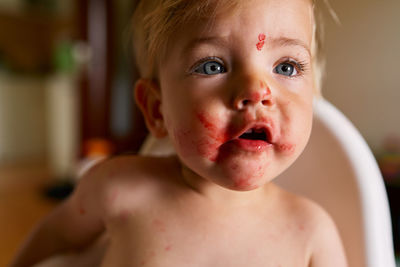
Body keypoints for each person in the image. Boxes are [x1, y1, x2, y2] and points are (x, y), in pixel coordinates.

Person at [10, 0, 348, 266]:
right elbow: (56, 237)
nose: (257, 90)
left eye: (286, 67)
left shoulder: (311, 232)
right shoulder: (118, 189)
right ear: (157, 110)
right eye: (212, 66)